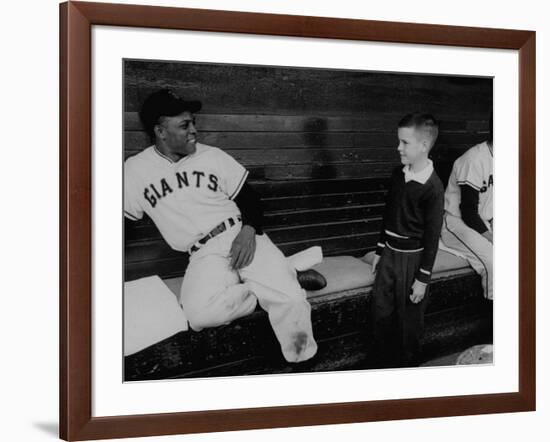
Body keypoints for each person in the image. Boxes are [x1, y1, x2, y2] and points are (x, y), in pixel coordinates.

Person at [124, 89, 326, 363]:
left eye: (193, 122)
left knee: (290, 301)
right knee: (199, 315)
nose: (194, 130)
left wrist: (248, 231)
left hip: (240, 234)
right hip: (202, 253)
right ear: (160, 131)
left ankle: (304, 362)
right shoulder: (135, 171)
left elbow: (251, 201)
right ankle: (276, 279)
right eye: (184, 125)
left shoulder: (213, 156)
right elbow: (120, 224)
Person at [370, 113, 444, 368]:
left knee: (408, 322)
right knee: (381, 313)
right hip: (389, 255)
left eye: (405, 142)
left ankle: (407, 372)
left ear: (423, 146)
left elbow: (433, 237)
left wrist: (422, 280)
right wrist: (380, 250)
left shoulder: (433, 188)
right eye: (398, 141)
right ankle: (381, 367)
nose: (398, 147)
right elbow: (389, 214)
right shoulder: (397, 175)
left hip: (413, 262)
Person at [440, 117, 493, 300]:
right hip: (457, 223)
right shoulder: (474, 159)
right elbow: (469, 213)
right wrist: (493, 238)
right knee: (494, 261)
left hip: (484, 221)